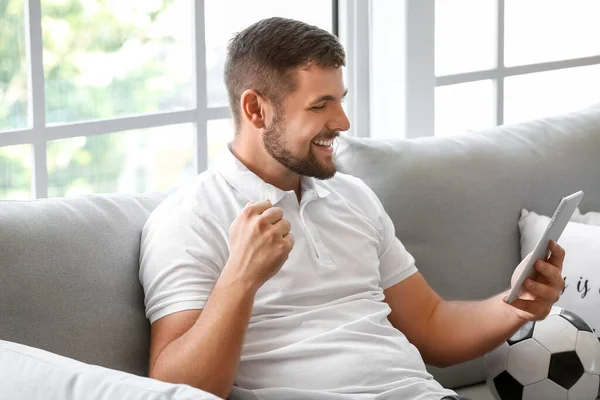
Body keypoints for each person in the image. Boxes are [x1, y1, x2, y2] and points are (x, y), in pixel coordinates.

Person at [139, 17, 566, 400]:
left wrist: (517, 304)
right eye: (320, 105)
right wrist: (241, 278)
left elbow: (434, 327)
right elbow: (175, 390)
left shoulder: (353, 197)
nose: (342, 121)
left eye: (340, 100)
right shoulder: (188, 219)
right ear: (256, 109)